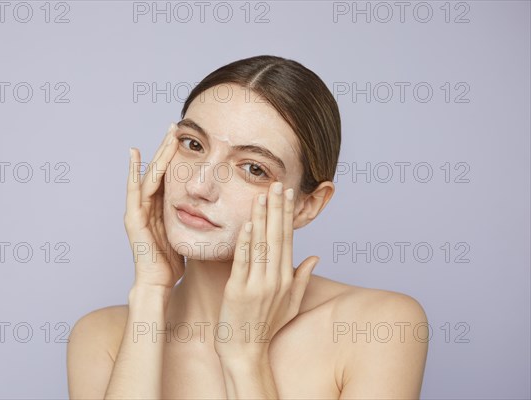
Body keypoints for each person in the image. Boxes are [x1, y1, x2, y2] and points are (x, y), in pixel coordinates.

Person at [66, 55, 429, 399]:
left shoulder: (377, 328)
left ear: (308, 204)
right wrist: (150, 292)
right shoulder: (104, 338)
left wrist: (244, 359)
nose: (198, 186)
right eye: (192, 144)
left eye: (253, 168)